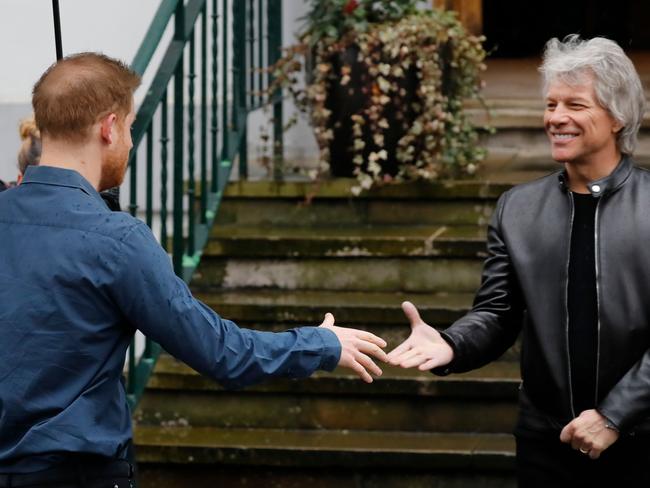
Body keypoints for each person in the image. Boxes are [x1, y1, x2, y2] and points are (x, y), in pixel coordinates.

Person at [0, 52, 388, 487]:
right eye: (129, 127)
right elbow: (221, 352)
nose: (130, 142)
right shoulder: (118, 241)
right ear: (108, 128)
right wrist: (319, 343)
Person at [388, 35, 650, 486]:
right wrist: (451, 344)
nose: (556, 118)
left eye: (575, 104)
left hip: (642, 440)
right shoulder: (519, 208)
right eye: (551, 104)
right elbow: (497, 312)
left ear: (618, 115)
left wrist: (613, 415)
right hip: (546, 443)